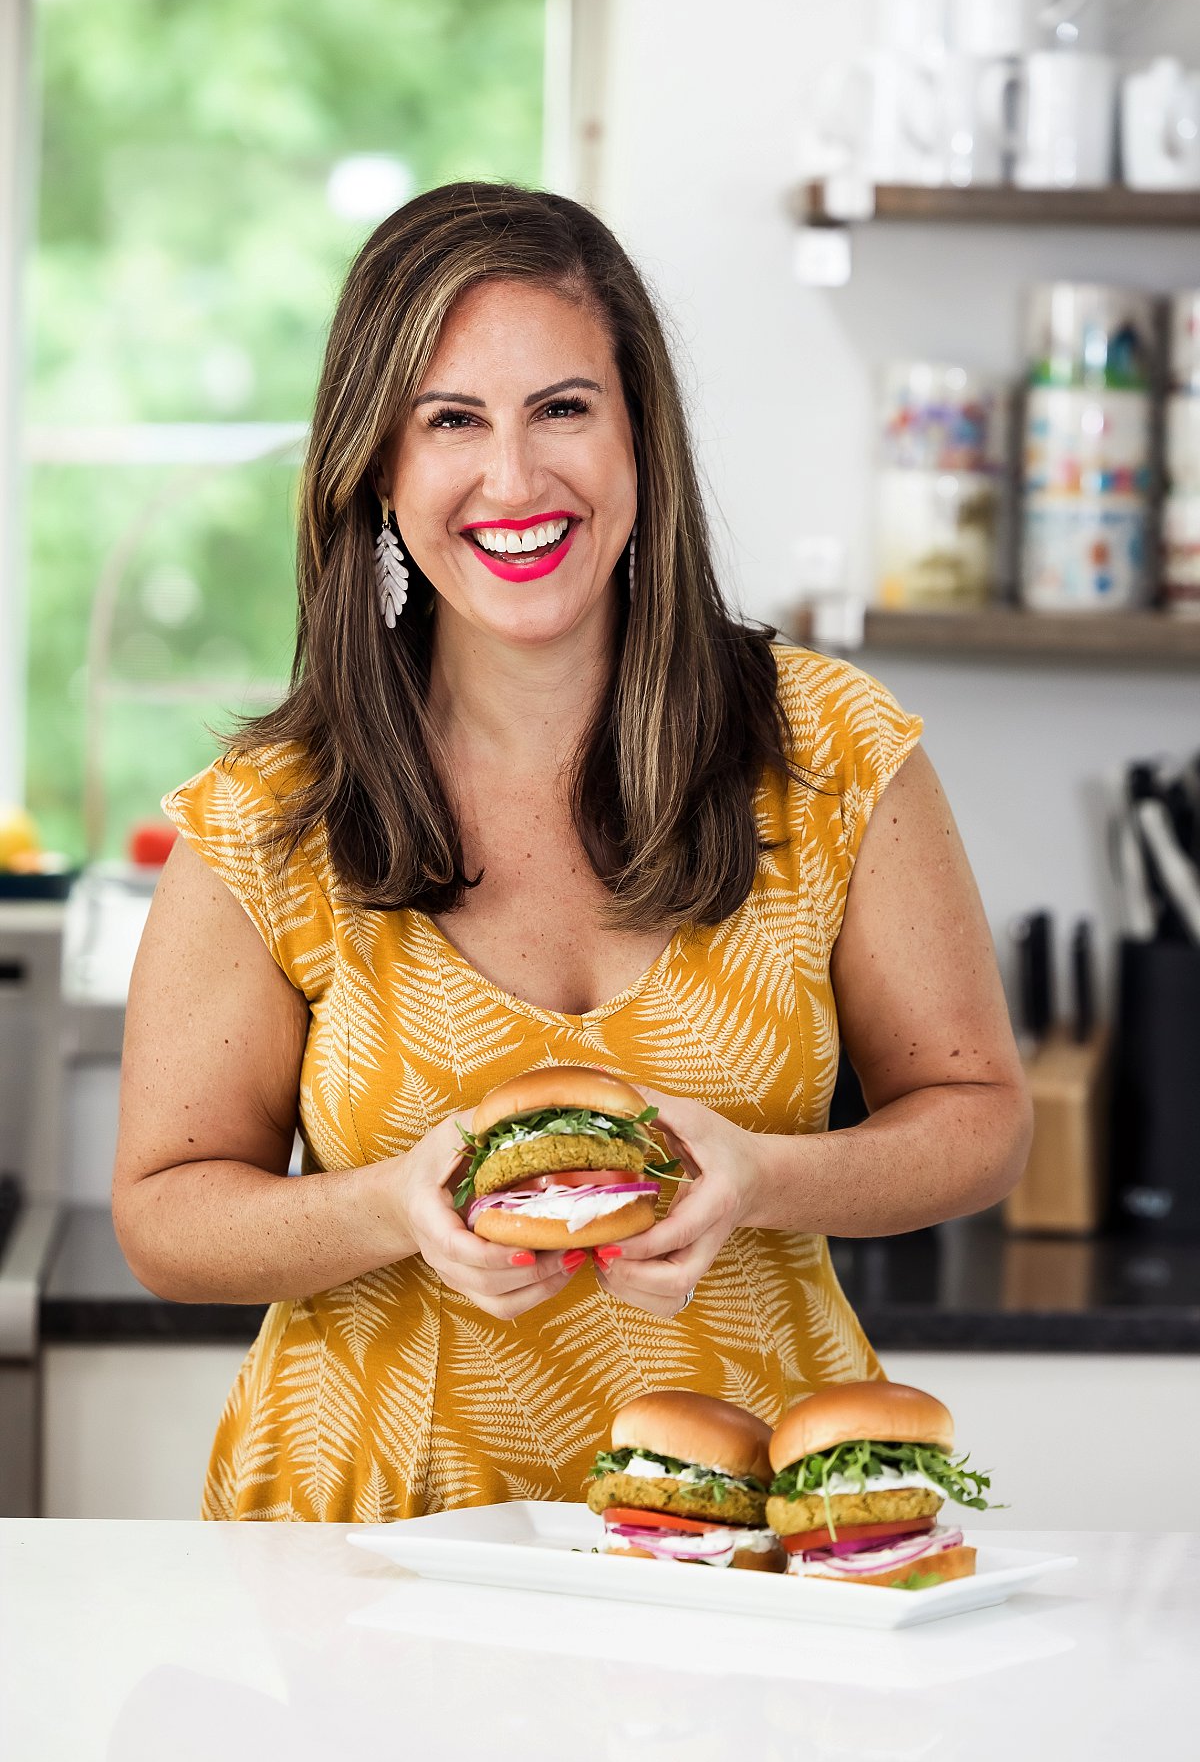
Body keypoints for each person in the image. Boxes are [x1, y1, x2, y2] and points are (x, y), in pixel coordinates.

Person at [112, 182, 1031, 1521]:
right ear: (377, 466)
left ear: (640, 437)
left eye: (563, 408)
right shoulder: (269, 817)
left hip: (756, 1545)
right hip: (366, 1552)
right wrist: (391, 1209)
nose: (514, 479)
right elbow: (163, 1214)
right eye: (450, 422)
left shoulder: (832, 752)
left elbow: (980, 1117)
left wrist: (773, 1178)